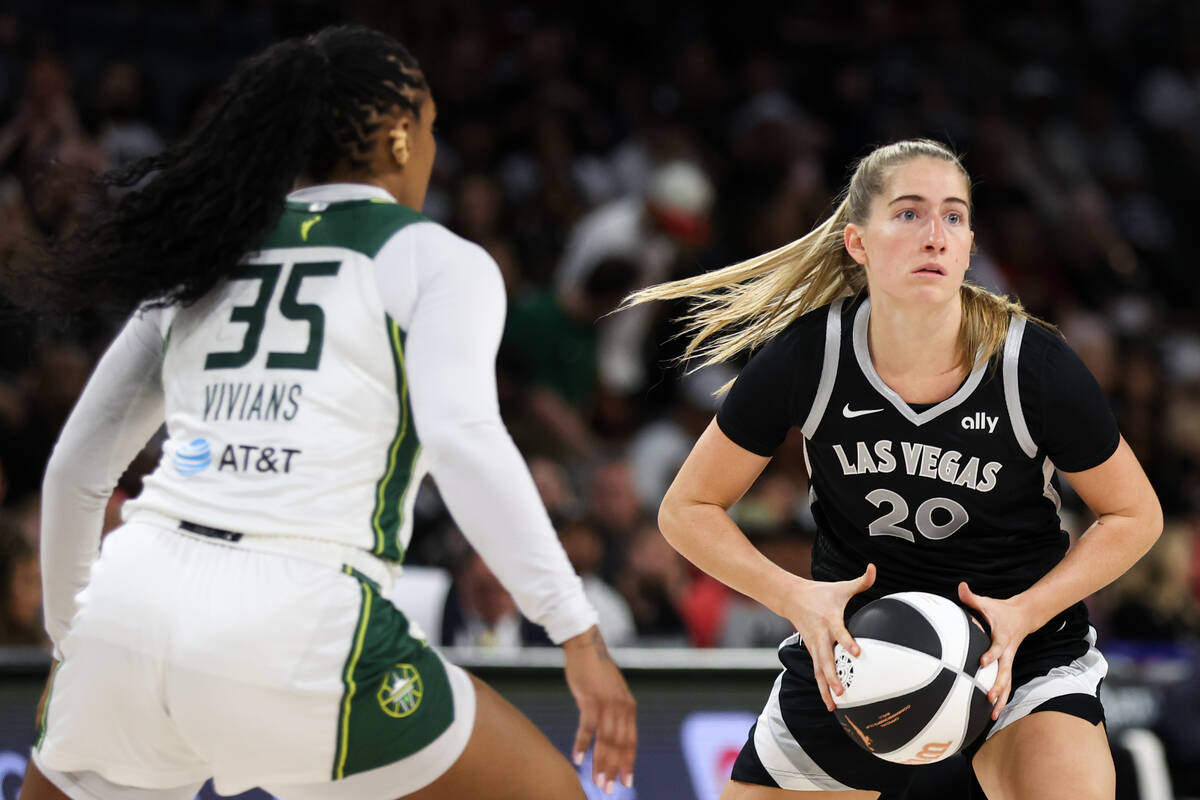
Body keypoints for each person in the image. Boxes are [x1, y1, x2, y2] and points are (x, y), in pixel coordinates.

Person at [13, 25, 635, 800]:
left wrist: (76, 645)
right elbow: (464, 440)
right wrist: (576, 631)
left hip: (131, 601)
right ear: (402, 139)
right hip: (299, 619)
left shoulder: (203, 252)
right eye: (432, 128)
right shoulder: (436, 258)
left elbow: (75, 470)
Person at [628, 138, 1162, 799]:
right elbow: (686, 510)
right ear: (858, 242)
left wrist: (1027, 611)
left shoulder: (1033, 365)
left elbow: (1135, 513)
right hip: (856, 655)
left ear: (969, 247)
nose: (935, 236)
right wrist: (793, 597)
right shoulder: (811, 357)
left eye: (954, 217)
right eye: (909, 214)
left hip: (1018, 654)